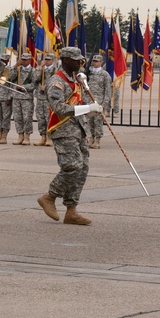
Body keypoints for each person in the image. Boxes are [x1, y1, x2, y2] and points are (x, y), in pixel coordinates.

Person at [37, 47, 101, 225]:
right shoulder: (56, 81)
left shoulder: (75, 80)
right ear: (65, 60)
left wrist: (91, 111)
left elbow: (78, 105)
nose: (80, 63)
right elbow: (59, 108)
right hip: (63, 130)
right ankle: (49, 197)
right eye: (76, 60)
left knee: (82, 169)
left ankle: (71, 210)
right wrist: (88, 109)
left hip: (78, 130)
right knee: (72, 166)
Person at [32, 52, 59, 146]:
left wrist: (46, 87)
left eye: (48, 60)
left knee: (49, 118)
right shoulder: (41, 69)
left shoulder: (56, 70)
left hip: (49, 98)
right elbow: (35, 79)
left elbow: (57, 83)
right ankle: (42, 137)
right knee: (40, 118)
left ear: (52, 60)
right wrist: (40, 67)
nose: (46, 62)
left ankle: (49, 137)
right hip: (40, 97)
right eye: (46, 60)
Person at [85, 54, 112, 149]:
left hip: (99, 101)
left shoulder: (105, 74)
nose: (94, 63)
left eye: (97, 61)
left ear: (101, 62)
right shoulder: (88, 73)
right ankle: (91, 138)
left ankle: (97, 140)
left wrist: (105, 102)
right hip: (89, 101)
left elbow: (108, 90)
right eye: (93, 61)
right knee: (89, 121)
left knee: (98, 121)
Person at [8, 52, 35, 145]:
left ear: (29, 60)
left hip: (26, 98)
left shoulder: (33, 71)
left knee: (27, 118)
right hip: (16, 97)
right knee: (17, 117)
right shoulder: (18, 69)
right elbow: (10, 77)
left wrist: (23, 87)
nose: (23, 61)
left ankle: (27, 136)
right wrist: (15, 66)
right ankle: (20, 135)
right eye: (22, 59)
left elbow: (33, 85)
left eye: (25, 60)